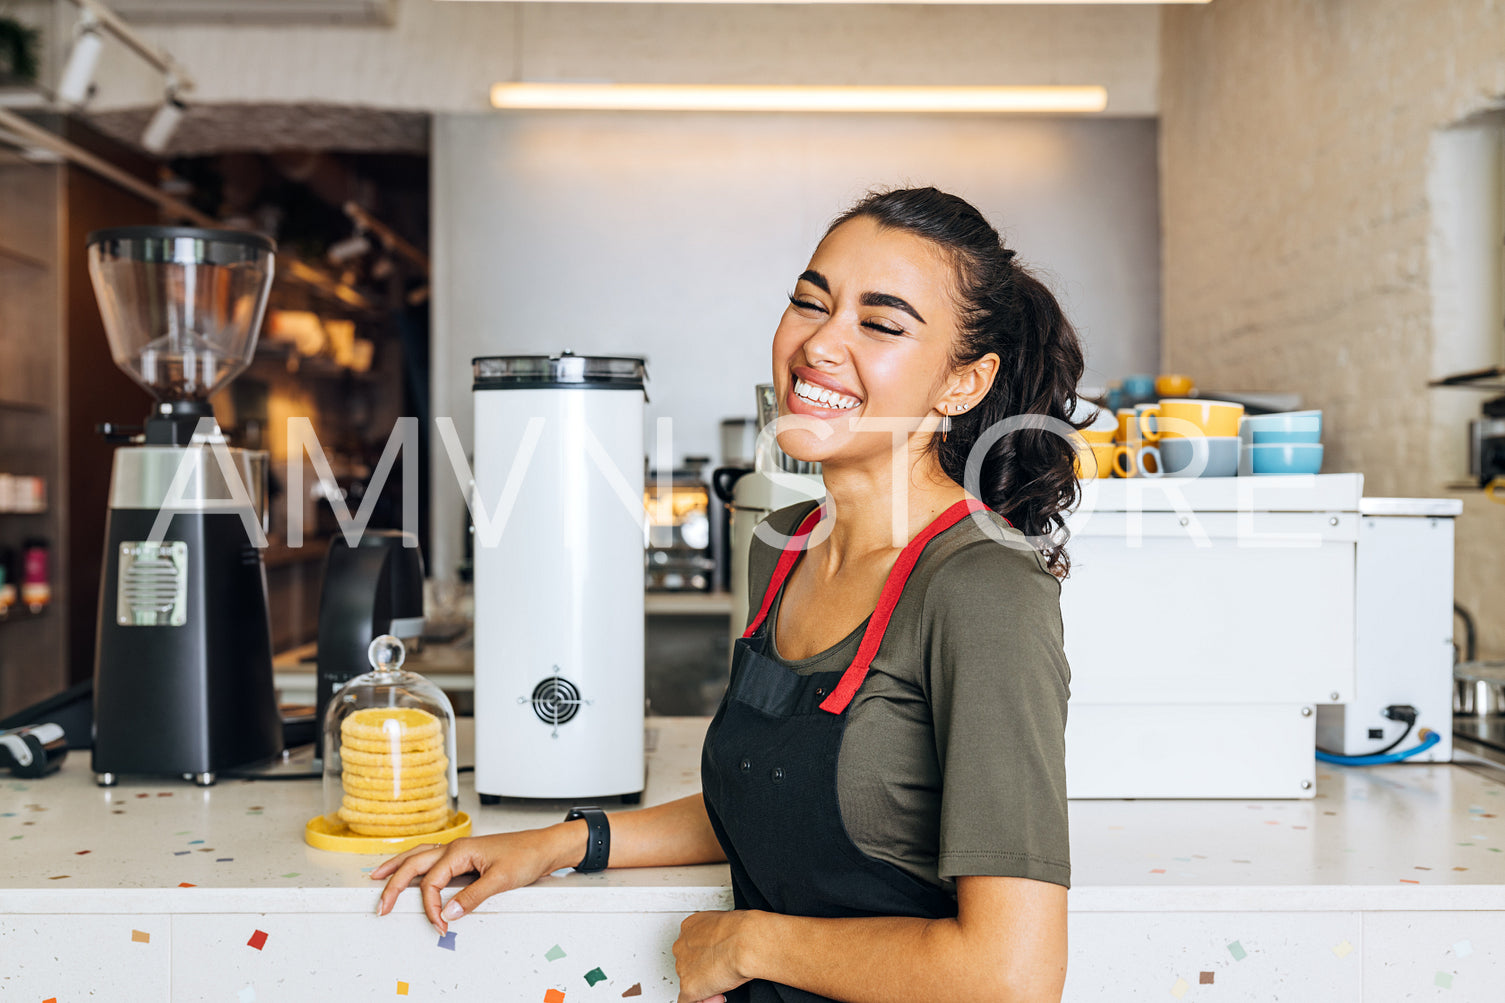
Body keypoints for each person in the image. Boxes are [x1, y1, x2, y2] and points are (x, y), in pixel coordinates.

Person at [374, 186, 1083, 1003]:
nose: (820, 342)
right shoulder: (781, 546)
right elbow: (772, 796)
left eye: (880, 323)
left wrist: (750, 940)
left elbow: (1012, 975)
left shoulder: (984, 588)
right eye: (810, 303)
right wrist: (559, 843)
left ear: (963, 382)